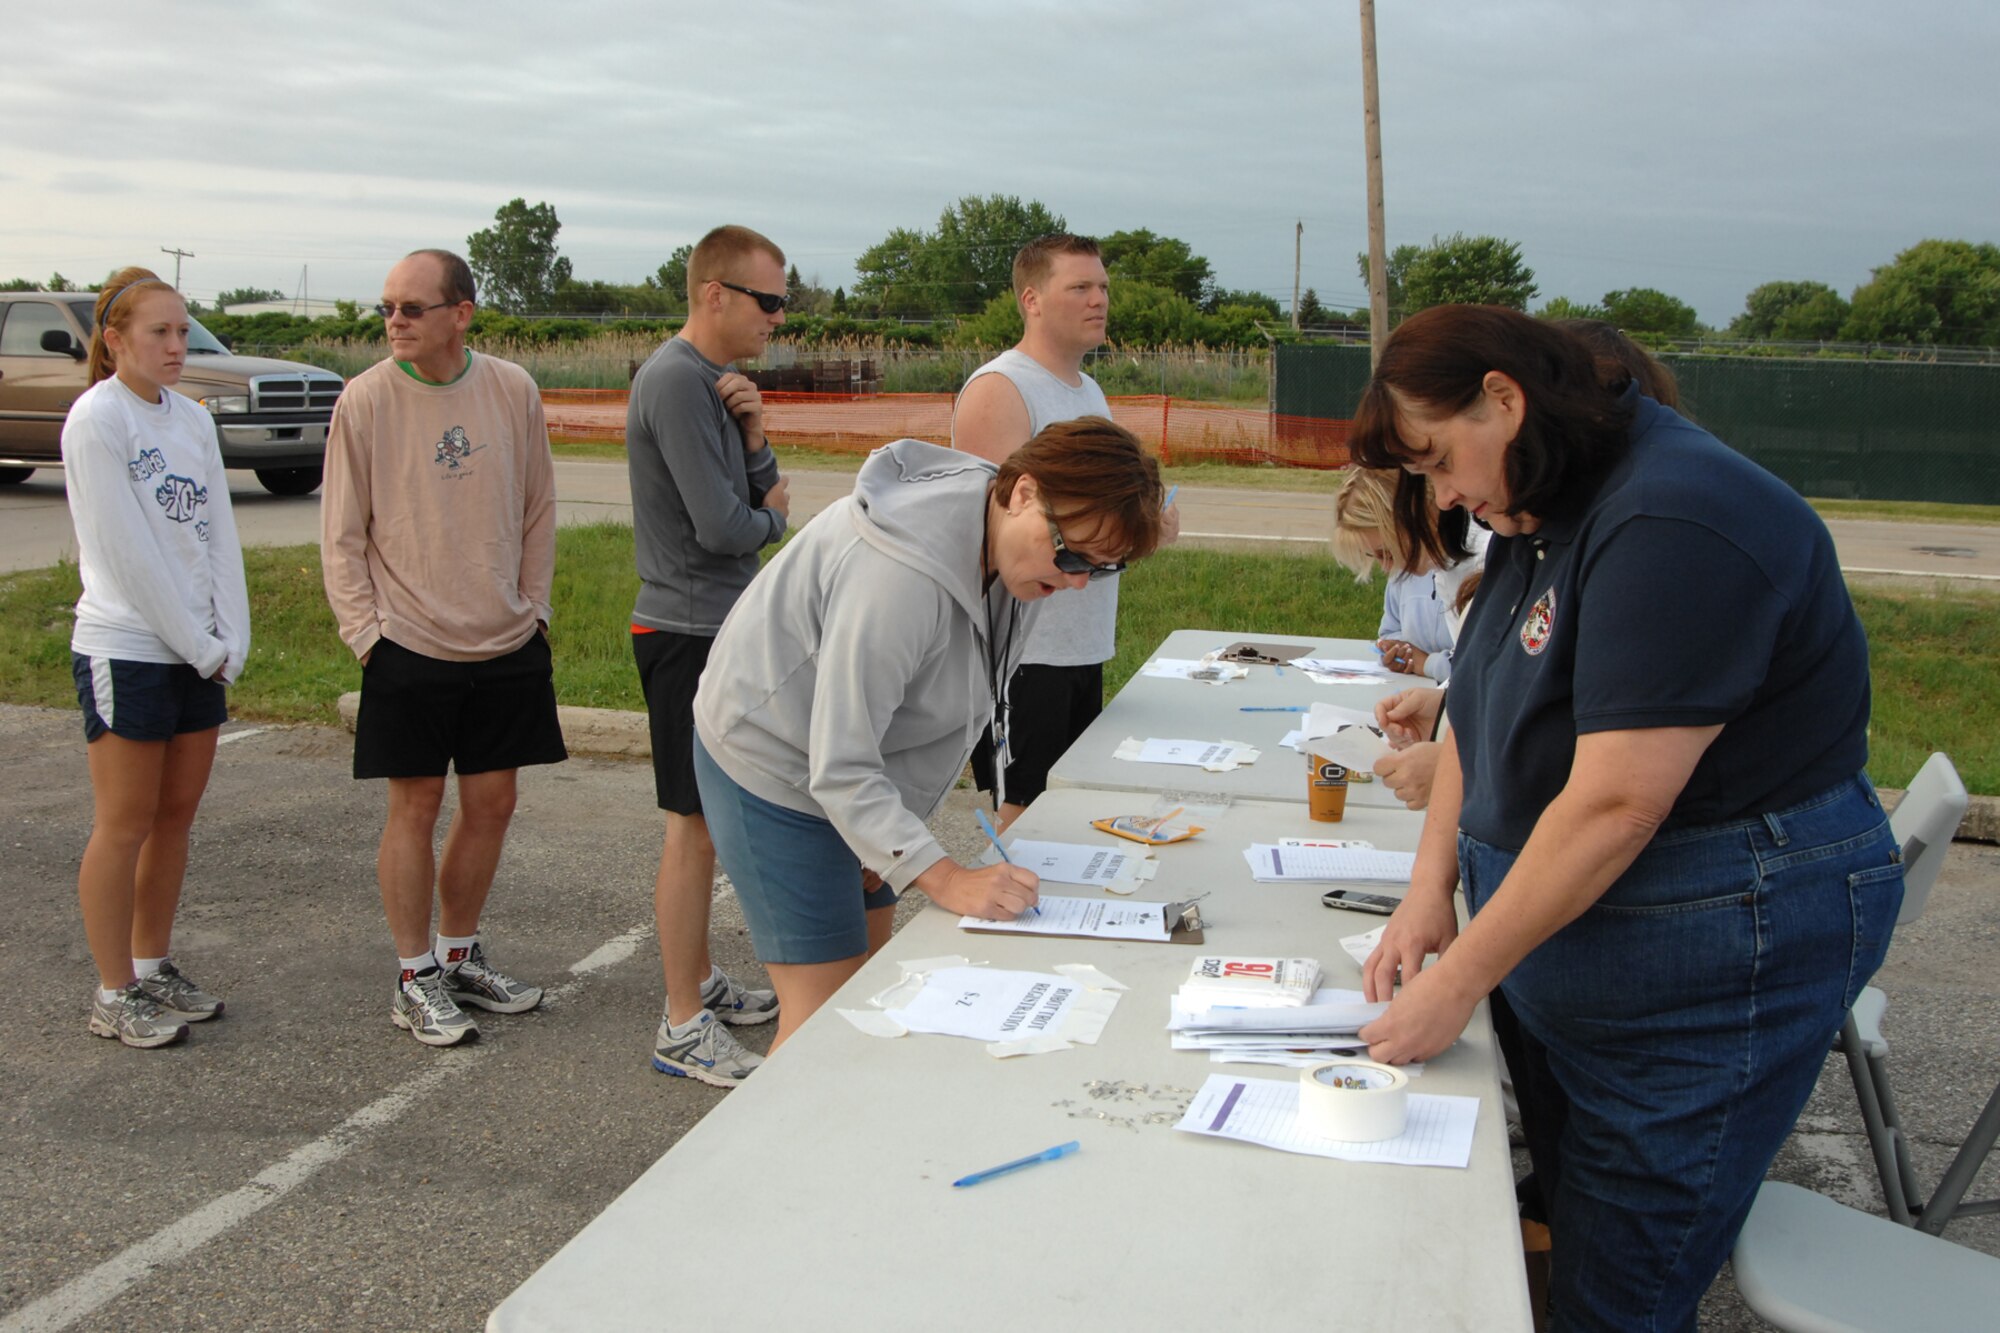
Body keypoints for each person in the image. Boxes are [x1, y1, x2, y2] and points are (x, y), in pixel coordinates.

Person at [1350, 304, 1903, 1329]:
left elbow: (1615, 802)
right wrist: (1430, 890)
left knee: (1621, 1287)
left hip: (1708, 944)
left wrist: (1461, 977)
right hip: (1594, 945)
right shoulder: (1543, 496)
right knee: (1574, 1217)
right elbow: (1475, 705)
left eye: (1435, 459)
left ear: (1505, 400)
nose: (1444, 494)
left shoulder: (1671, 518)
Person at [693, 419, 1165, 1049]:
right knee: (819, 1027)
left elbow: (945, 709)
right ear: (1023, 492)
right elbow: (838, 763)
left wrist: (892, 838)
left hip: (858, 767)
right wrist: (939, 875)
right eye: (1073, 555)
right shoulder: (899, 576)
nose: (1077, 581)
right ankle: (762, 1145)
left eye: (1102, 569)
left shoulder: (1011, 549)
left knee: (866, 1002)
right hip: (774, 762)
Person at [321, 248, 564, 1048]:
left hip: (506, 638)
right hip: (408, 644)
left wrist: (535, 612)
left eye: (413, 308)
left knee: (492, 804)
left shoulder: (512, 388)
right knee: (415, 807)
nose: (395, 320)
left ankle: (459, 955)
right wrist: (368, 637)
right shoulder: (364, 401)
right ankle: (413, 973)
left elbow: (537, 509)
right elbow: (342, 534)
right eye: (387, 306)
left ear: (460, 313)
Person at [62, 266, 249, 1048]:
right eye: (159, 333)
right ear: (115, 340)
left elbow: (217, 534)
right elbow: (129, 556)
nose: (177, 346)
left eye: (183, 331)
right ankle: (114, 991)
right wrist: (198, 642)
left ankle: (152, 962)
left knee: (175, 817)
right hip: (130, 647)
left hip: (196, 653)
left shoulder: (192, 420)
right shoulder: (96, 420)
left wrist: (231, 637)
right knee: (126, 821)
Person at [627, 224, 792, 1086]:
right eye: (768, 301)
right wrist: (771, 520)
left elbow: (764, 493)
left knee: (711, 824)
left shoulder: (720, 387)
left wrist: (757, 435)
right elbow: (731, 525)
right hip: (686, 629)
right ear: (714, 294)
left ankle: (697, 980)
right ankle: (680, 1021)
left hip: (718, 621)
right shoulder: (675, 382)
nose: (778, 317)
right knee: (693, 828)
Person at [951, 234, 1179, 832]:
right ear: (1031, 299)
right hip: (1025, 648)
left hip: (1080, 640)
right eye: (1079, 287)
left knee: (1067, 800)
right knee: (1023, 809)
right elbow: (994, 530)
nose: (1098, 300)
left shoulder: (1088, 390)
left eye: (1102, 286)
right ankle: (1003, 918)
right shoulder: (1002, 389)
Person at [1330, 465, 1486, 683]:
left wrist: (1427, 664)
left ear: (1416, 521)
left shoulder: (1482, 560)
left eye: (1388, 553)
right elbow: (1390, 630)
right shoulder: (1425, 561)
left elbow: (1482, 671)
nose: (1386, 568)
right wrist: (1398, 651)